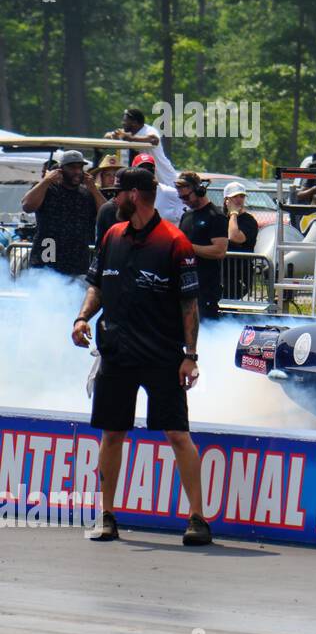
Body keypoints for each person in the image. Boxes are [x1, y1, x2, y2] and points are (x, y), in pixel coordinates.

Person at [71, 166, 210, 546]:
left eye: (119, 193)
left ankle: (197, 518)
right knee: (112, 432)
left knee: (177, 434)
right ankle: (107, 515)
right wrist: (83, 317)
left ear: (135, 195)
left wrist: (190, 355)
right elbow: (96, 285)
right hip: (116, 352)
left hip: (163, 354)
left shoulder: (174, 241)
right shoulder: (112, 235)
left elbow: (189, 305)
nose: (113, 199)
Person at [22, 149, 106, 277]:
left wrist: (93, 189)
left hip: (77, 261)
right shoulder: (47, 188)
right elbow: (27, 206)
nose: (77, 172)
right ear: (61, 169)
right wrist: (46, 181)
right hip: (47, 256)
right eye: (72, 168)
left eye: (80, 167)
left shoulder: (87, 193)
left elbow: (106, 214)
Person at [174, 172, 228, 320]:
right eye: (181, 198)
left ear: (199, 190)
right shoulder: (187, 216)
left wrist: (188, 247)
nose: (184, 201)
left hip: (206, 288)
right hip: (185, 286)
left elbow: (219, 251)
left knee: (207, 332)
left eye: (186, 197)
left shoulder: (216, 216)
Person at [223, 181, 262, 301]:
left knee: (231, 306)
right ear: (226, 200)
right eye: (235, 196)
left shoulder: (248, 221)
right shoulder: (220, 218)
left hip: (240, 274)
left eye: (242, 196)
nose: (239, 200)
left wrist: (233, 213)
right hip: (220, 272)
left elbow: (234, 237)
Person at [131, 153, 185, 222]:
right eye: (142, 170)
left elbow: (186, 220)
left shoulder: (170, 193)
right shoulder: (129, 195)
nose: (146, 173)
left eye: (150, 169)